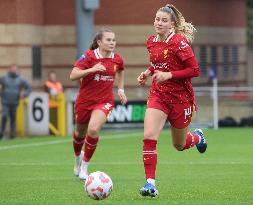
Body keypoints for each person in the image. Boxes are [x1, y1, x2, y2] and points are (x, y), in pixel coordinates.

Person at [137, 4, 207, 197]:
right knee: (149, 137)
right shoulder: (151, 41)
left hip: (181, 99)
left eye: (163, 20)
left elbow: (194, 70)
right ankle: (150, 183)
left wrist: (169, 75)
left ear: (172, 24)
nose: (158, 22)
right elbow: (156, 62)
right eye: (157, 19)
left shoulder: (179, 42)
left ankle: (198, 137)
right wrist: (147, 73)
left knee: (180, 145)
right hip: (158, 95)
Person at [69, 28, 127, 180]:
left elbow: (121, 71)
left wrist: (120, 89)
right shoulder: (88, 56)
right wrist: (92, 69)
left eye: (113, 40)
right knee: (79, 133)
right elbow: (73, 75)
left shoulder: (117, 59)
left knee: (93, 129)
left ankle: (84, 167)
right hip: (84, 101)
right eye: (108, 40)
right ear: (99, 42)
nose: (112, 42)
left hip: (104, 101)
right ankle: (77, 159)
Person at [0, 65, 32, 139]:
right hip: (5, 102)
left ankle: (13, 134)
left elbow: (29, 87)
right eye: (12, 69)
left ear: (17, 70)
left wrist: (25, 94)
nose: (14, 70)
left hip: (15, 102)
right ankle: (1, 133)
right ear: (9, 69)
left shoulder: (20, 79)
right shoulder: (4, 78)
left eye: (15, 69)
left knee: (13, 118)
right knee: (4, 116)